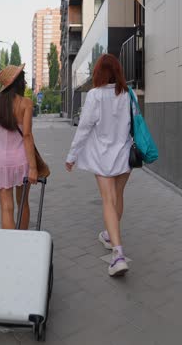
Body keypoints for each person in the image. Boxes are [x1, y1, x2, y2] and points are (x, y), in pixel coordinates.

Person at [66, 54, 132, 277]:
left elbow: (84, 127)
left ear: (98, 73)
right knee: (117, 197)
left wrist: (72, 155)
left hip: (103, 157)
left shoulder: (95, 95)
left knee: (107, 200)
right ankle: (108, 235)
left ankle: (118, 255)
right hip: (124, 155)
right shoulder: (127, 94)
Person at [0, 64, 38, 230]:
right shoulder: (26, 103)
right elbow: (27, 135)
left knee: (6, 209)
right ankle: (22, 240)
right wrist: (34, 168)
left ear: (5, 84)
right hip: (22, 160)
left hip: (0, 161)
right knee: (23, 203)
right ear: (20, 83)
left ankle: (10, 246)